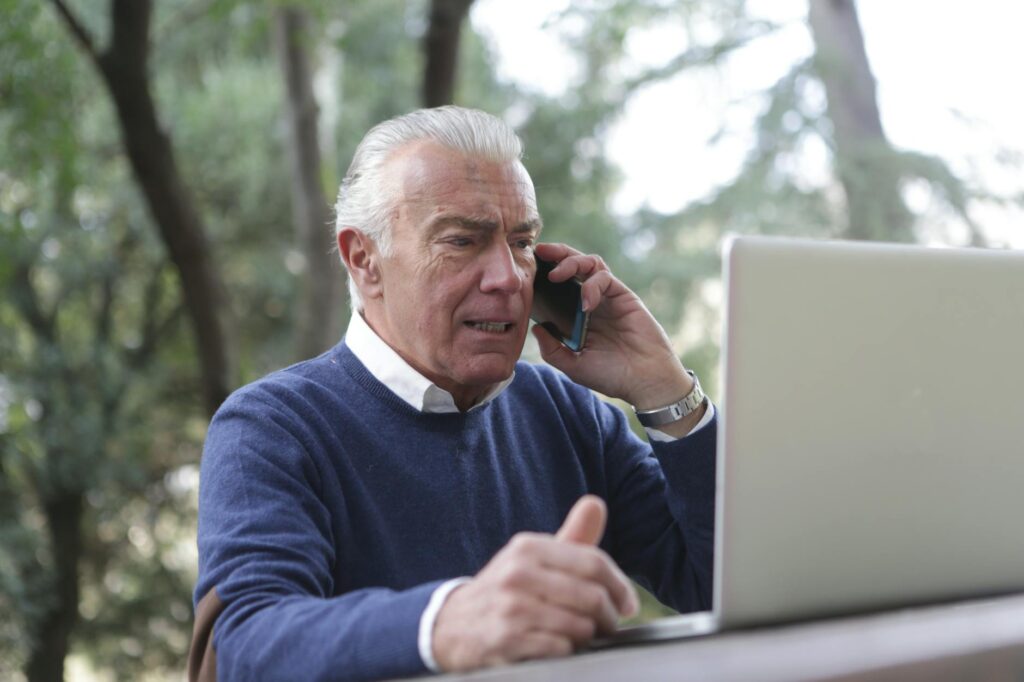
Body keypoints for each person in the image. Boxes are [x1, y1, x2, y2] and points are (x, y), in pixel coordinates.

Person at [189, 106, 717, 682]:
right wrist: (446, 624)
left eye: (522, 242)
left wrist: (664, 388)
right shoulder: (272, 427)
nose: (509, 277)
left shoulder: (567, 414)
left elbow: (719, 583)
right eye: (463, 240)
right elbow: (246, 645)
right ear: (364, 260)